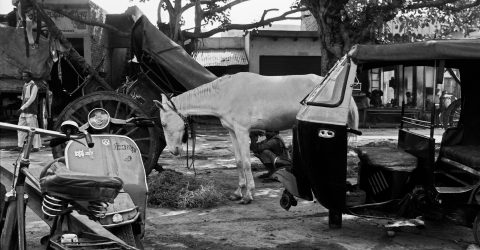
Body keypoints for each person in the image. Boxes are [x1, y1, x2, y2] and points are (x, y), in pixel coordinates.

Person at [17, 70, 42, 152]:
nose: (24, 77)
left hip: (31, 111)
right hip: (24, 112)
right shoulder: (25, 86)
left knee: (32, 129)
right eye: (23, 76)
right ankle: (20, 146)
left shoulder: (34, 86)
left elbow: (31, 99)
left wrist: (22, 108)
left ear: (30, 77)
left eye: (26, 76)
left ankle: (36, 146)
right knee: (20, 128)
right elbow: (23, 98)